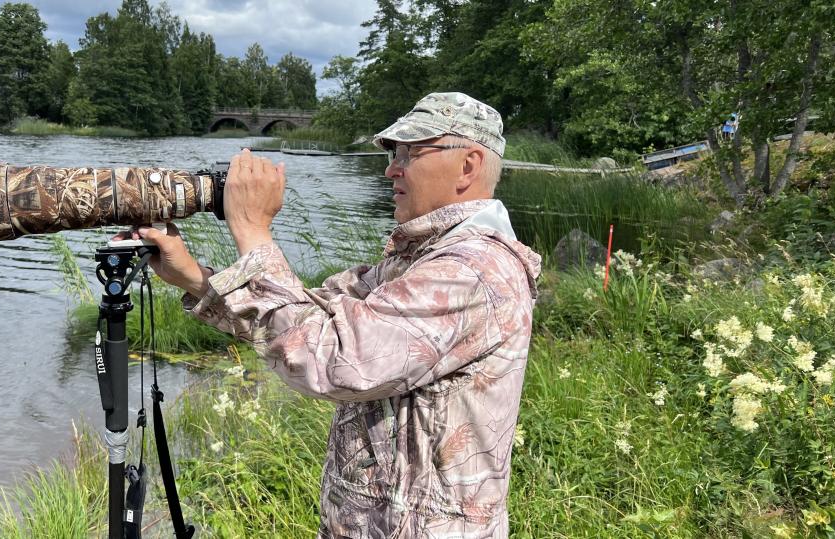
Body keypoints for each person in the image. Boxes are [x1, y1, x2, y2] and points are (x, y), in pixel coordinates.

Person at [131, 92, 541, 538]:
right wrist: (196, 279)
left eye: (410, 152)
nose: (391, 168)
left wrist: (251, 229)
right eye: (393, 154)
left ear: (468, 165)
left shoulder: (471, 270)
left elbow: (330, 360)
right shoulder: (423, 258)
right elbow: (307, 317)